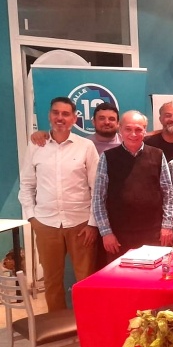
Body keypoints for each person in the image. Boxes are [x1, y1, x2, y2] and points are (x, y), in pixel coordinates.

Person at [18, 97, 99, 311]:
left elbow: (97, 187)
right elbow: (26, 184)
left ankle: (86, 323)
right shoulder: (36, 145)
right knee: (52, 281)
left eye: (65, 114)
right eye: (56, 113)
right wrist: (32, 218)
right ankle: (57, 324)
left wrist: (93, 223)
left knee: (85, 280)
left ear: (74, 118)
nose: (60, 118)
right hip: (46, 224)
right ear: (49, 115)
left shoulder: (85, 146)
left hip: (81, 224)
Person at [92, 110, 173, 263]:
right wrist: (106, 232)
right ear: (120, 130)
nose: (133, 134)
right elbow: (98, 198)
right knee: (120, 277)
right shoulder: (108, 157)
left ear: (145, 131)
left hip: (153, 233)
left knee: (152, 276)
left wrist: (167, 226)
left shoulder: (158, 155)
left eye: (138, 129)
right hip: (118, 236)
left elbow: (168, 193)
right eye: (128, 129)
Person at [30, 102, 122, 154]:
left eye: (111, 119)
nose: (106, 122)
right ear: (93, 122)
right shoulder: (83, 145)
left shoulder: (126, 143)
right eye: (101, 118)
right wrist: (42, 134)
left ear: (118, 123)